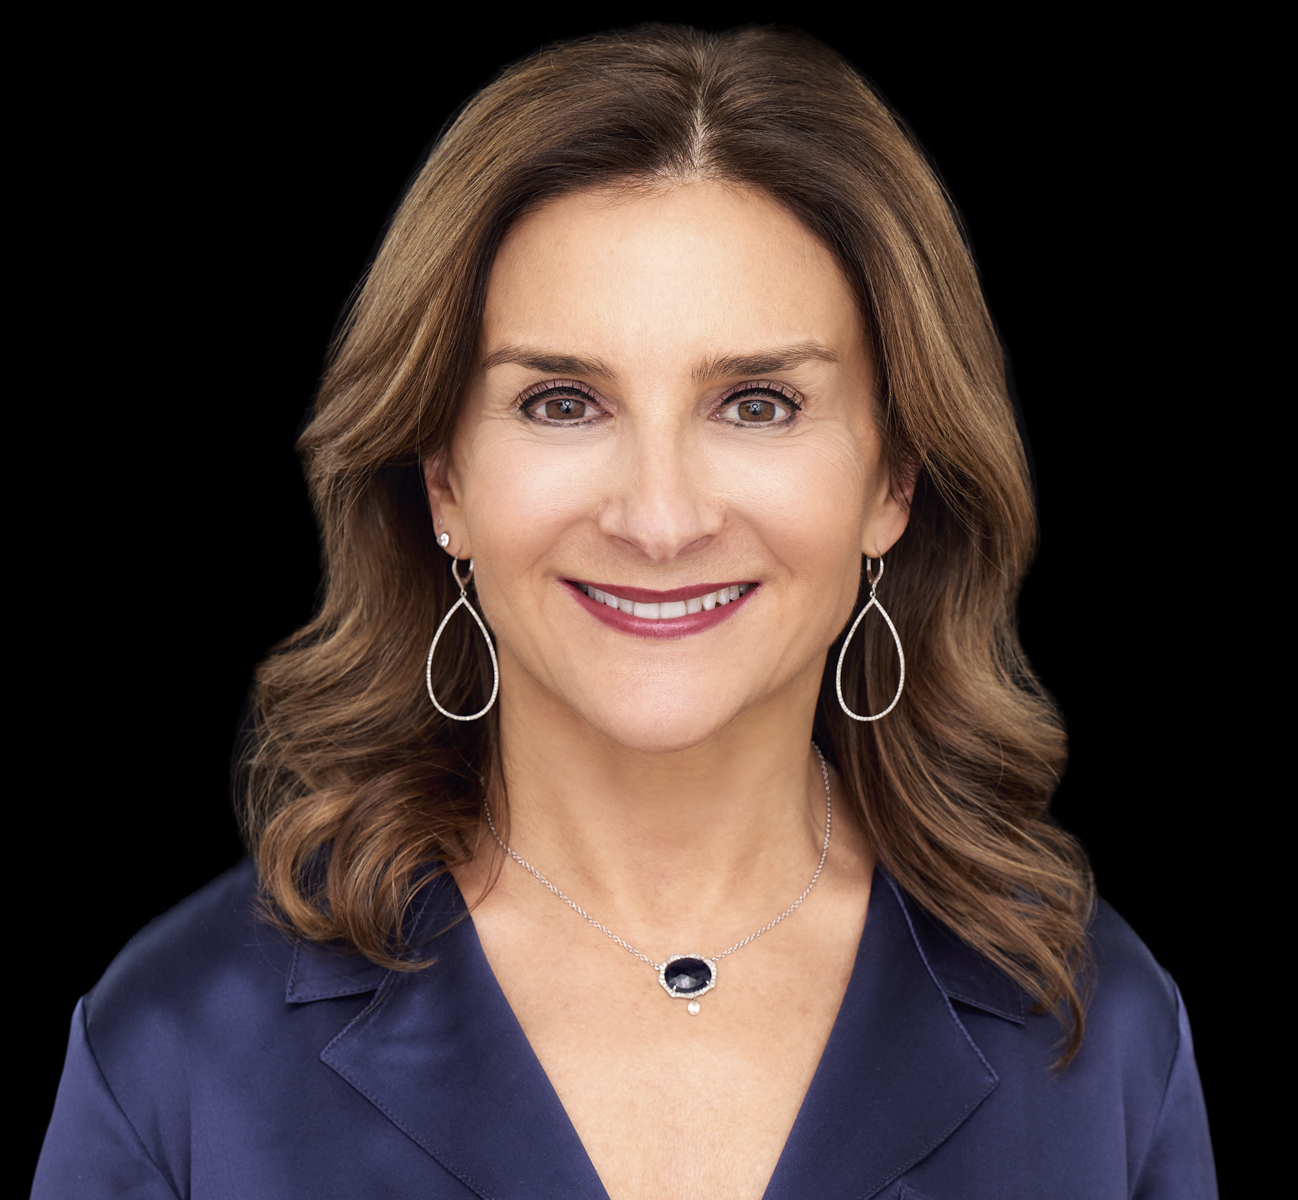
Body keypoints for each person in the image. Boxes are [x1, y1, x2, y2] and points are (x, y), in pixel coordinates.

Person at [34, 24, 1216, 1199]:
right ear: (444, 480)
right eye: (561, 402)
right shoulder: (180, 1053)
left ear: (892, 480)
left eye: (757, 404)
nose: (659, 519)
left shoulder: (1096, 1033)